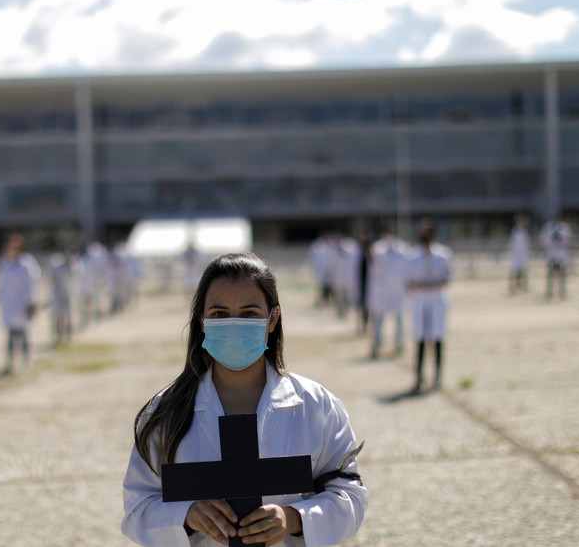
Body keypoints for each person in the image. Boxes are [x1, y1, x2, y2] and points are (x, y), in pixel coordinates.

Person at [121, 253, 368, 547]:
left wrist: (294, 518)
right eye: (220, 314)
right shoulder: (165, 413)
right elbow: (137, 508)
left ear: (272, 319)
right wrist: (186, 515)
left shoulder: (317, 406)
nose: (234, 324)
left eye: (249, 313)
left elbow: (350, 494)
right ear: (201, 321)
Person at [406, 221, 452, 394]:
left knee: (438, 337)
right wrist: (426, 285)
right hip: (420, 301)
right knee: (419, 338)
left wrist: (425, 284)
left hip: (436, 300)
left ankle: (437, 376)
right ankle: (418, 377)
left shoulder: (443, 254)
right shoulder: (412, 256)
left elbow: (446, 279)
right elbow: (408, 282)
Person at [0, 234, 41, 373]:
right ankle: (10, 362)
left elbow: (32, 284)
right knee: (10, 335)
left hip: (22, 303)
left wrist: (32, 302)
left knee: (24, 334)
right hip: (10, 305)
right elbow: (1, 284)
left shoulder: (27, 263)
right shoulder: (6, 263)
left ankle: (27, 360)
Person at [367, 230, 410, 359]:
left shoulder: (403, 249)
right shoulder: (377, 249)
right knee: (378, 320)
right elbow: (372, 262)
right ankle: (376, 345)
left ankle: (398, 344)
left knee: (399, 320)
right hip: (381, 292)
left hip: (397, 291)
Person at [540, 218, 571, 300]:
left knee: (562, 275)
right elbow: (544, 240)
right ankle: (549, 292)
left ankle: (562, 292)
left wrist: (560, 237)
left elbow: (568, 240)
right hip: (552, 255)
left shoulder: (564, 228)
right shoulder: (548, 227)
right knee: (550, 275)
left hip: (561, 256)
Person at [48, 251, 74, 346]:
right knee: (60, 316)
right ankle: (60, 335)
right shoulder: (59, 268)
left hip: (69, 294)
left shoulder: (74, 268)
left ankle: (70, 335)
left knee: (70, 316)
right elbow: (53, 279)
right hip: (59, 294)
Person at [508, 215, 530, 294]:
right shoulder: (516, 231)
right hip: (517, 254)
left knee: (522, 271)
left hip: (522, 254)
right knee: (516, 271)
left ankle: (522, 286)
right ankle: (514, 286)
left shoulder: (523, 231)